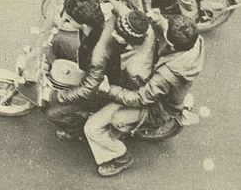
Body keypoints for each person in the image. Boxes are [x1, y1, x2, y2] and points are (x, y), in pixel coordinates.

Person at [84, 12, 203, 177]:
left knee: (92, 127)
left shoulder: (166, 75)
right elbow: (166, 25)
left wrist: (109, 90)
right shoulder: (193, 40)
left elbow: (140, 98)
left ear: (172, 45)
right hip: (168, 92)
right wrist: (158, 19)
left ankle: (119, 157)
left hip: (155, 106)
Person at [45, 5, 150, 141]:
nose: (113, 34)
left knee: (53, 114)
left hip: (108, 90)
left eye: (118, 35)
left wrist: (60, 96)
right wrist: (110, 4)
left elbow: (89, 88)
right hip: (105, 73)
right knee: (61, 42)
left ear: (129, 40)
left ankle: (76, 131)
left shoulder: (135, 69)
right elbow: (118, 8)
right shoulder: (134, 24)